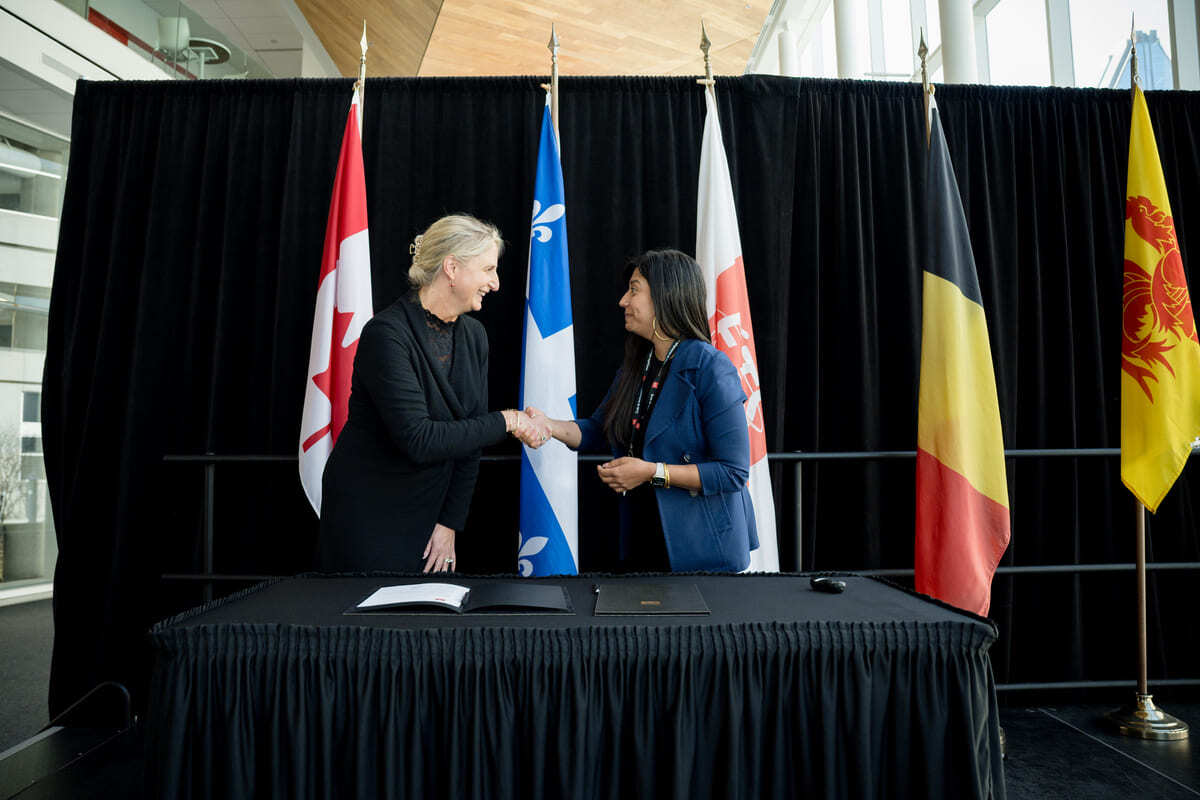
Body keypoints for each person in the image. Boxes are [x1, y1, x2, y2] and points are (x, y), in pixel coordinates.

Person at [318, 214, 548, 574]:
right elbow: (420, 439)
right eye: (488, 269)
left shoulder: (474, 336)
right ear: (452, 268)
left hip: (431, 515)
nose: (496, 283)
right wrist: (509, 421)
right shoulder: (385, 335)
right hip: (370, 513)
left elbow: (470, 441)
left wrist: (449, 522)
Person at [527, 249, 757, 572]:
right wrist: (549, 426)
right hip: (644, 540)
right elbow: (598, 429)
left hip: (703, 553)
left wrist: (651, 472)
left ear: (665, 296)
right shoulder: (638, 364)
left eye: (634, 290)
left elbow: (732, 472)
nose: (623, 300)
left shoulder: (711, 367)